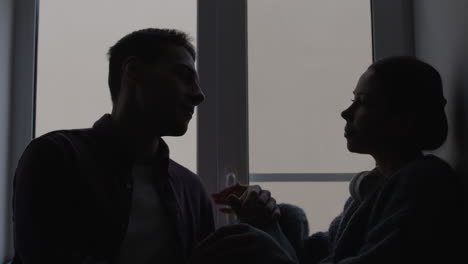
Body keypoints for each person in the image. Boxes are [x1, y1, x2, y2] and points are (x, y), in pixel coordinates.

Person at [191, 56, 464, 264]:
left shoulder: (423, 185)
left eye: (363, 102)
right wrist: (267, 220)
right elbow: (314, 257)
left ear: (405, 120)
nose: (346, 112)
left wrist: (266, 241)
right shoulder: (375, 189)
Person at [12, 28, 213, 264]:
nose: (199, 95)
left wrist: (262, 224)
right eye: (183, 75)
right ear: (133, 71)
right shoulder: (55, 157)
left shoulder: (192, 190)